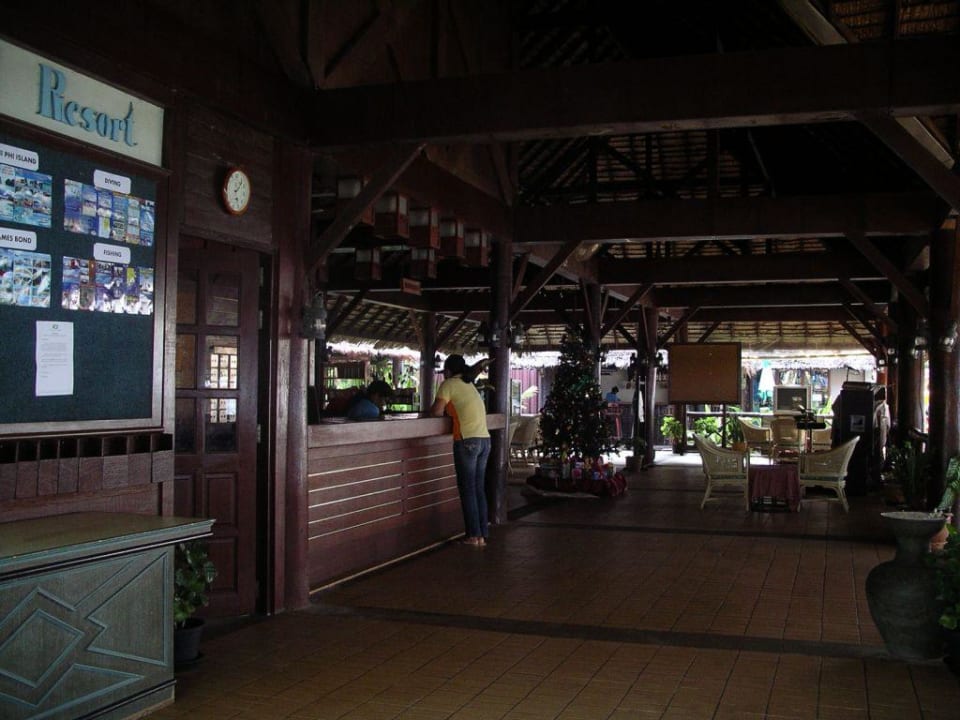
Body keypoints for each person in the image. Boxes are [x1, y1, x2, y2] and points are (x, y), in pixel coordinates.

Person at [430, 354, 491, 547]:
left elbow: (436, 412)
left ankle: (473, 535)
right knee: (478, 488)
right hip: (484, 440)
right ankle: (482, 533)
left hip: (467, 440)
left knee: (467, 488)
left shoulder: (448, 384)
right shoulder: (468, 384)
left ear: (448, 371)